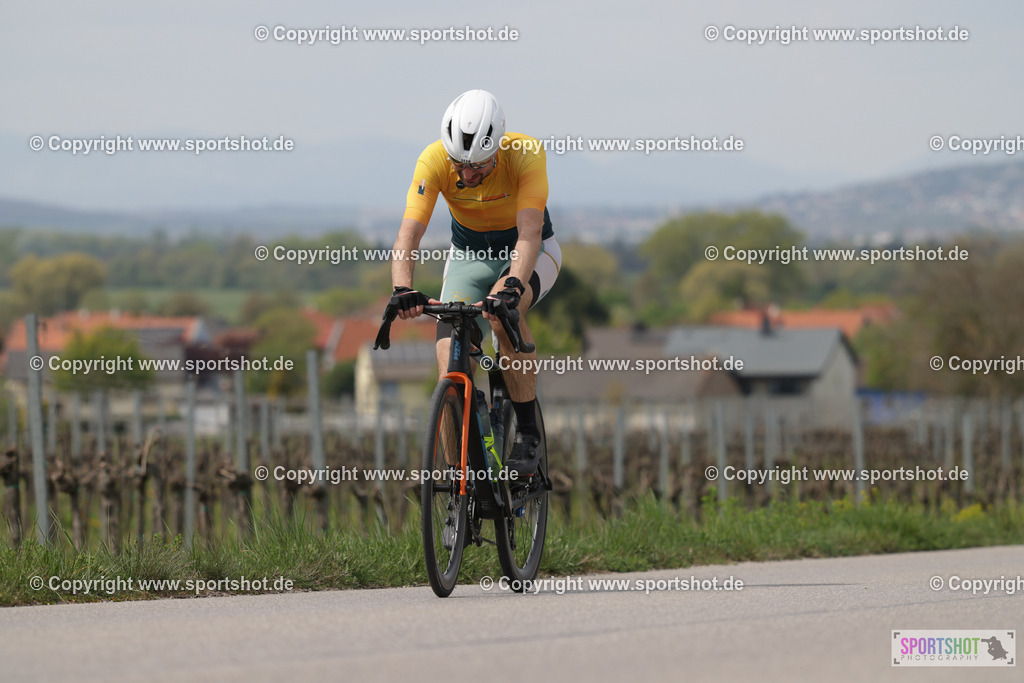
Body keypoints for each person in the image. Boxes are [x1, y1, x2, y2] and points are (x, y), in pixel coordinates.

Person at [388, 89, 561, 477]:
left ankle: (528, 434)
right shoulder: (432, 160)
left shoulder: (526, 153)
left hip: (527, 250)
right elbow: (408, 235)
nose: (467, 174)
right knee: (449, 351)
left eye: (479, 165)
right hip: (468, 255)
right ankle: (458, 478)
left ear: (499, 146)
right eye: (459, 164)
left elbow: (530, 235)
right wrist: (402, 288)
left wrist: (514, 284)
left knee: (505, 314)